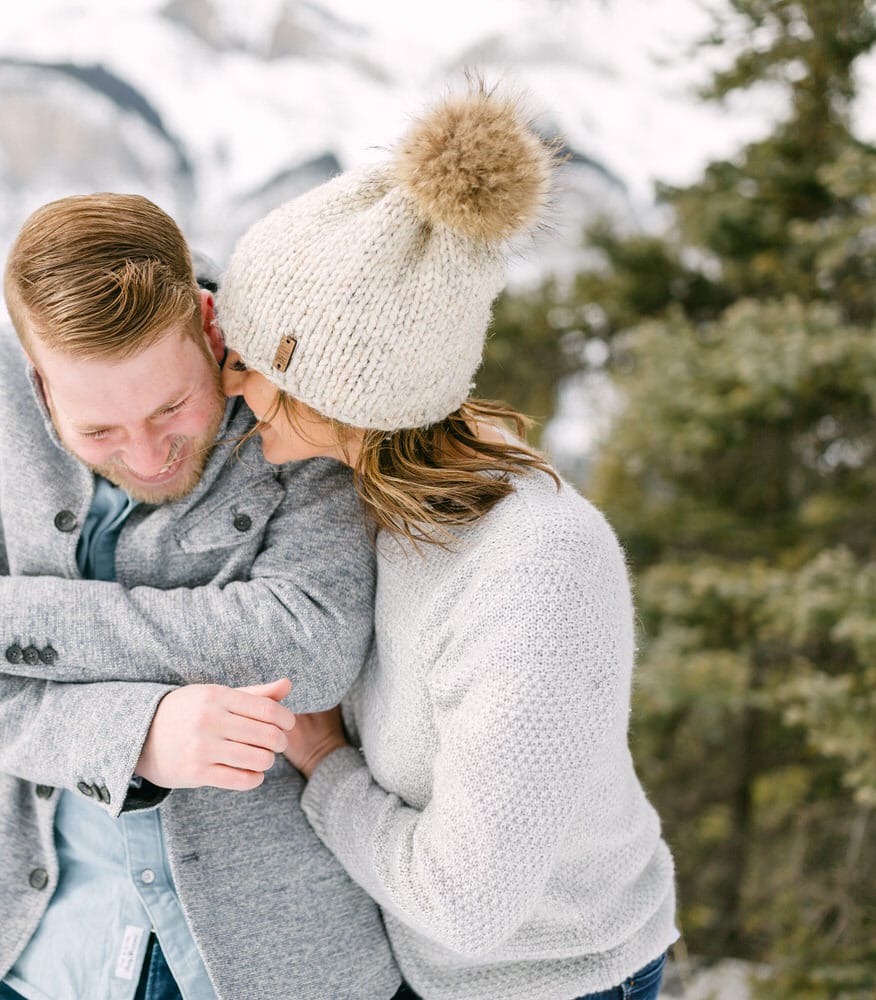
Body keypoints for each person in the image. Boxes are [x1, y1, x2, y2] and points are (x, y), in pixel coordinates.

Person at [204, 87, 680, 1000]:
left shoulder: (536, 574)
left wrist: (321, 764)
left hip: (550, 979)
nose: (227, 381)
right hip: (425, 963)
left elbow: (466, 902)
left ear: (338, 389)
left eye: (249, 358)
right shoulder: (375, 488)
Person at [0, 193, 401, 999]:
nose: (150, 456)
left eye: (172, 408)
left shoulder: (294, 386)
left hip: (253, 956)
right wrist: (136, 739)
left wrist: (1, 619)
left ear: (210, 328)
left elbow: (312, 644)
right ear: (38, 384)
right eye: (100, 433)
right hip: (8, 955)